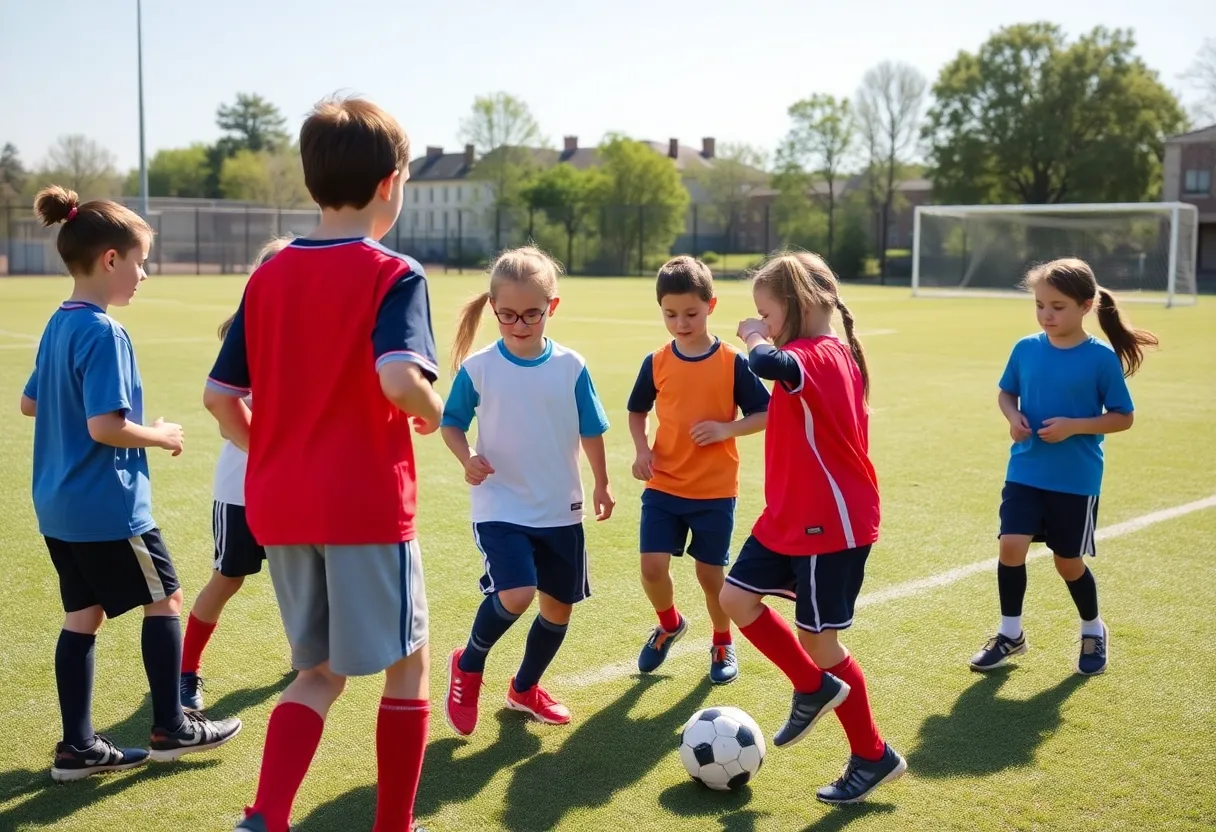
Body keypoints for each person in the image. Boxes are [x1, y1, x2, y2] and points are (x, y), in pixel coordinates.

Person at [204, 95, 443, 832]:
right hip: (365, 504)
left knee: (317, 673)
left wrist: (275, 453)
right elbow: (401, 379)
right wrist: (438, 415)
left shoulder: (268, 276)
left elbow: (219, 397)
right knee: (408, 664)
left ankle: (266, 816)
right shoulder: (393, 272)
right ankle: (393, 825)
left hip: (282, 506)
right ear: (389, 183)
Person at [22, 185, 242, 782]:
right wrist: (161, 433)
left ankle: (78, 748)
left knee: (82, 616)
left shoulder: (57, 323)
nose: (144, 274)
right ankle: (172, 726)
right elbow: (105, 427)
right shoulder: (103, 332)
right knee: (165, 599)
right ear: (110, 259)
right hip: (107, 507)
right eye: (140, 261)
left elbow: (28, 402)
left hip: (57, 505)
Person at [718, 251, 905, 805]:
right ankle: (811, 686)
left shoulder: (819, 354)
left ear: (796, 307)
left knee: (821, 641)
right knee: (735, 598)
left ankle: (872, 755)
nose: (761, 323)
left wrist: (753, 338)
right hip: (790, 516)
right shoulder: (814, 351)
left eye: (766, 314)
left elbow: (771, 366)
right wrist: (764, 334)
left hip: (832, 523)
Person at [441, 246, 613, 738]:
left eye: (532, 314)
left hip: (560, 507)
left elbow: (592, 429)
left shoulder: (571, 366)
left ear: (551, 308)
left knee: (558, 607)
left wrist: (601, 482)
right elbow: (452, 424)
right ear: (493, 308)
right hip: (501, 504)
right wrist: (467, 457)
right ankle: (469, 664)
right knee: (515, 592)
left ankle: (524, 689)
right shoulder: (479, 368)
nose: (520, 325)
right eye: (508, 315)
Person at [970, 257, 1157, 677]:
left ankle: (1093, 628)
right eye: (1039, 305)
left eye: (1057, 306)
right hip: (1025, 470)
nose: (1046, 314)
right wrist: (1012, 417)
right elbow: (1006, 394)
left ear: (1086, 306)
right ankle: (1010, 633)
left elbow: (1123, 416)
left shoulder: (1101, 359)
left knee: (1067, 562)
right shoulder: (1026, 348)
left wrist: (1075, 426)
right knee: (1010, 545)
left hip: (1075, 479)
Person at [627, 255, 769, 684]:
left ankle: (722, 641)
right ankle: (669, 624)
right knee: (651, 567)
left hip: (714, 491)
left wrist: (728, 428)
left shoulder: (732, 361)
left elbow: (765, 413)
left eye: (690, 313)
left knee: (711, 576)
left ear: (711, 305)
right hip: (664, 484)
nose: (681, 322)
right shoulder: (656, 362)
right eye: (670, 314)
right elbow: (637, 411)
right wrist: (641, 449)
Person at [179, 236, 293, 712]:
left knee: (298, 578)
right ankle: (185, 670)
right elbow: (231, 416)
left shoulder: (306, 340)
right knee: (227, 579)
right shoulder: (242, 340)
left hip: (294, 490)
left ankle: (308, 660)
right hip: (242, 491)